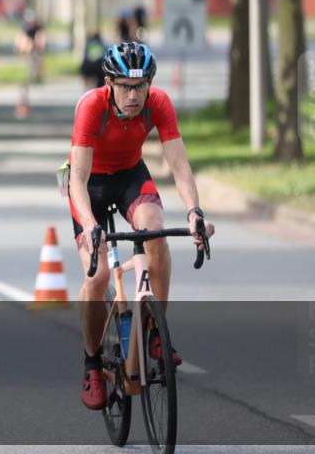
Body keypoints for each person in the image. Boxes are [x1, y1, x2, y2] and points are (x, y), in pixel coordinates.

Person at [65, 41, 215, 410]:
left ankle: (154, 332)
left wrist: (195, 212)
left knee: (155, 229)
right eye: (124, 87)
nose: (133, 96)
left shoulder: (159, 103)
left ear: (150, 84)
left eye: (140, 86)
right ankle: (92, 363)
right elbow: (78, 180)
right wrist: (89, 225)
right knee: (97, 276)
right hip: (90, 185)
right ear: (108, 83)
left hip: (130, 175)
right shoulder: (91, 106)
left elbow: (179, 165)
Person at [14, 10, 47, 119]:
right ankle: (23, 105)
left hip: (35, 52)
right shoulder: (24, 28)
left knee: (32, 70)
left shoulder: (38, 28)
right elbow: (20, 38)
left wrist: (40, 48)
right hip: (27, 51)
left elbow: (41, 39)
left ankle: (37, 74)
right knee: (24, 81)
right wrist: (20, 47)